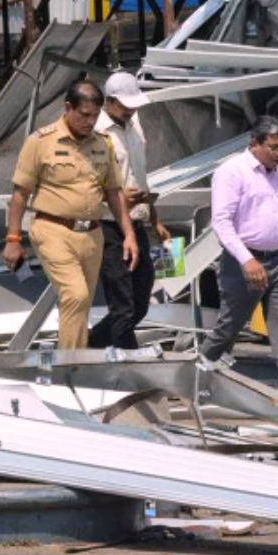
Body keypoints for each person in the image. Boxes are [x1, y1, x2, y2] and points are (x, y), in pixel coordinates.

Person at [2, 79, 139, 350]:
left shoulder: (103, 144)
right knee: (75, 295)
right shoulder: (40, 142)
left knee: (82, 302)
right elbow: (20, 194)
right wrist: (13, 239)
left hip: (92, 235)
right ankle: (72, 368)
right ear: (68, 107)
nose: (89, 122)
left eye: (94, 116)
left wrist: (129, 235)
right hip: (53, 229)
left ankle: (72, 358)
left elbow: (113, 192)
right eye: (84, 115)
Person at [199, 116, 278, 399]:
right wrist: (247, 260)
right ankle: (197, 374)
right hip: (242, 260)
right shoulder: (232, 172)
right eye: (273, 147)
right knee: (229, 327)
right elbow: (221, 222)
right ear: (255, 144)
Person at [87, 73, 170, 350]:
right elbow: (86, 183)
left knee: (140, 300)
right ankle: (129, 362)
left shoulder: (134, 124)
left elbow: (140, 175)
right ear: (109, 102)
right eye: (124, 105)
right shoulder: (95, 131)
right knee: (122, 303)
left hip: (138, 220)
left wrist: (154, 217)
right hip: (109, 223)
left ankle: (92, 344)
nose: (131, 110)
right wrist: (119, 197)